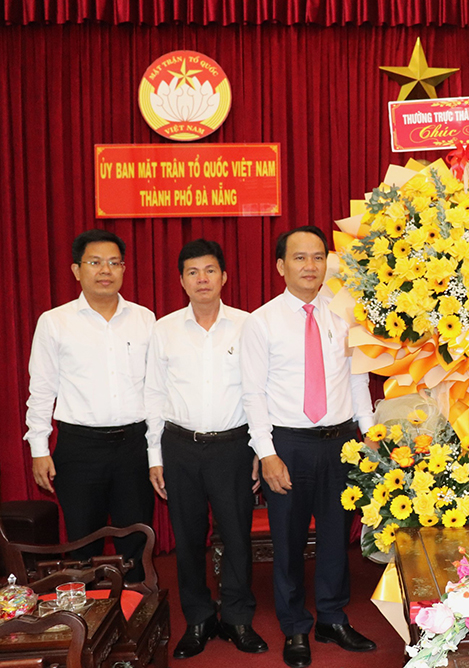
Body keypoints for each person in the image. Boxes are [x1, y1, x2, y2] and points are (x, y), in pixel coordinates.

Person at [241, 225, 377, 668]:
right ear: (281, 266)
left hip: (340, 442)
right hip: (289, 445)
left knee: (338, 536)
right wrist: (267, 453)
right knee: (288, 540)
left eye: (318, 257)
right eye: (299, 258)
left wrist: (368, 434)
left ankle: (333, 618)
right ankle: (295, 626)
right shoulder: (261, 321)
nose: (310, 266)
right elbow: (253, 393)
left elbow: (358, 381)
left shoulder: (345, 314)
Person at [145, 239, 267, 659]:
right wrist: (155, 457)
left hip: (233, 448)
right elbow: (153, 396)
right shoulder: (163, 330)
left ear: (224, 277)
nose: (202, 279)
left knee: (236, 537)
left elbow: (259, 394)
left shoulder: (248, 325)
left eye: (210, 270)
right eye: (193, 272)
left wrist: (258, 450)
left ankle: (236, 618)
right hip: (179, 447)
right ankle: (197, 618)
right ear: (181, 280)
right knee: (188, 538)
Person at [24, 229, 155, 581]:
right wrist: (39, 447)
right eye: (95, 262)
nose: (105, 270)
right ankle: (93, 629)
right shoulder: (55, 322)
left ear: (124, 269)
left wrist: (156, 450)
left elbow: (157, 389)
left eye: (114, 263)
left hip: (134, 446)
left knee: (136, 541)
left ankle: (139, 622)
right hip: (79, 449)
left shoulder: (145, 319)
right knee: (83, 546)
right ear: (76, 269)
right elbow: (42, 390)